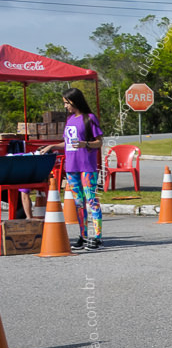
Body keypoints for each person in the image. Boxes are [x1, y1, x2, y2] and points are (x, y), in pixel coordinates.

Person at [41, 88, 103, 249]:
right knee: (78, 203)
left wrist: (85, 144)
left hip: (87, 167)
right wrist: (52, 145)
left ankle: (97, 236)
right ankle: (83, 235)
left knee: (91, 201)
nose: (65, 106)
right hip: (71, 167)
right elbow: (67, 143)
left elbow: (99, 142)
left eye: (66, 103)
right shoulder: (70, 120)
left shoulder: (90, 118)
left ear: (74, 101)